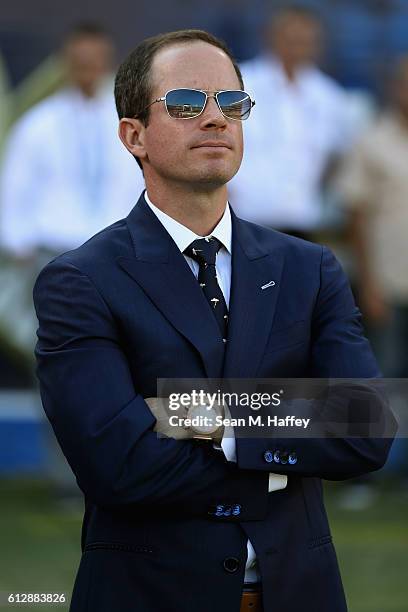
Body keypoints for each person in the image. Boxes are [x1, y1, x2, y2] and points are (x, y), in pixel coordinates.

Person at [33, 29, 395, 612]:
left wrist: (191, 415)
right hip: (149, 596)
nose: (215, 118)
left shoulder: (310, 268)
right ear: (134, 136)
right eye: (184, 104)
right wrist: (285, 448)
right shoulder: (80, 280)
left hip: (300, 593)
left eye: (230, 103)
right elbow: (118, 467)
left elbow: (368, 427)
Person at [228, 5, 358, 238]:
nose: (298, 45)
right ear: (270, 36)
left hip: (302, 221)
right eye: (291, 37)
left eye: (306, 40)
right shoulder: (239, 84)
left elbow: (335, 157)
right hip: (243, 217)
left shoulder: (329, 96)